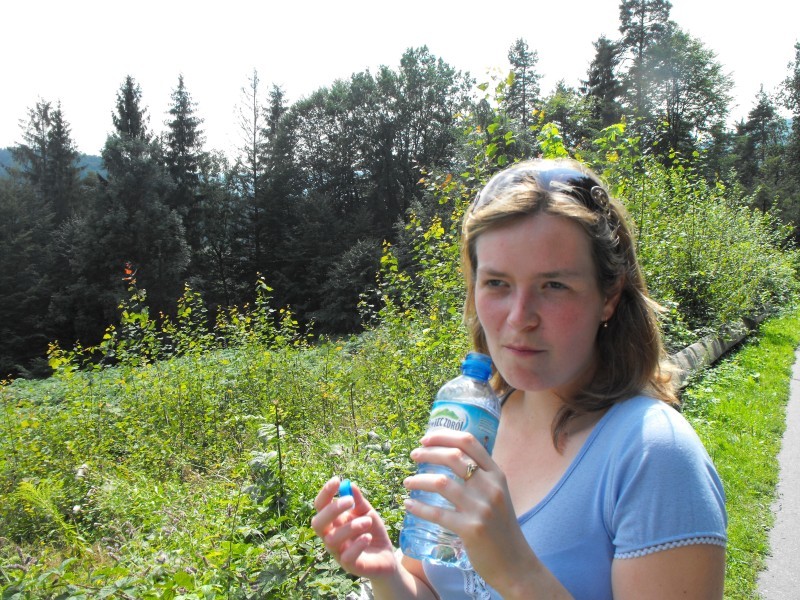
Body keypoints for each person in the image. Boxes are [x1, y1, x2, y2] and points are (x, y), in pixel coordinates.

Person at [311, 158, 727, 599]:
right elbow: (433, 586)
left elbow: (508, 574)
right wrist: (387, 573)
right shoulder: (479, 418)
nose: (519, 317)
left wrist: (515, 572)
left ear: (609, 296)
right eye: (497, 283)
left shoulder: (654, 455)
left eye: (554, 286)